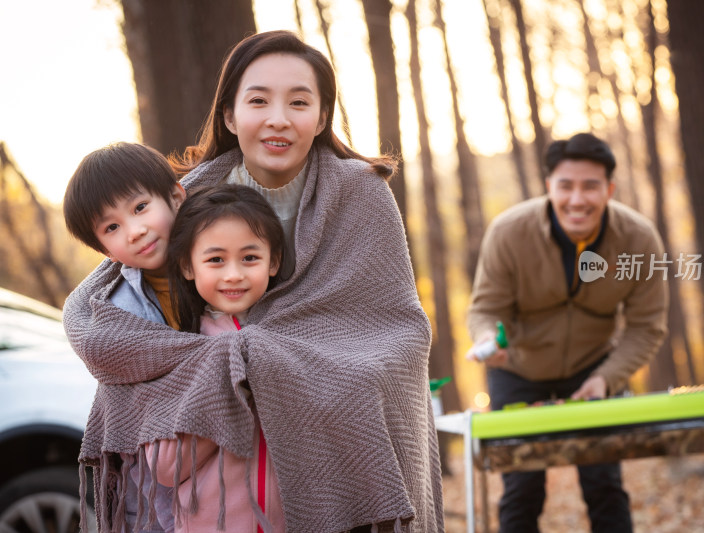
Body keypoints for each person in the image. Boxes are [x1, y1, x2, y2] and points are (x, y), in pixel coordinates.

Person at [63, 30, 443, 533]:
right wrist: (223, 363)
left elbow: (396, 328)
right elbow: (108, 290)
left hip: (320, 428)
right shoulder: (190, 197)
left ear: (322, 116)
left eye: (299, 101)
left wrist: (287, 361)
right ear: (229, 114)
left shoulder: (360, 194)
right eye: (259, 100)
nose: (278, 118)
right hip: (221, 485)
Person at [466, 132, 668, 532]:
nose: (578, 199)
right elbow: (486, 309)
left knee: (604, 485)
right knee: (521, 491)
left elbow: (646, 327)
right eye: (566, 186)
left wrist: (605, 379)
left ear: (609, 189)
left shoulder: (640, 239)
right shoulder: (508, 232)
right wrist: (488, 340)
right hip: (517, 370)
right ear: (549, 187)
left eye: (591, 186)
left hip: (593, 369)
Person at [146, 184, 285, 533]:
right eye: (215, 260)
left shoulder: (294, 339)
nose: (234, 274)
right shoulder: (182, 352)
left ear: (274, 262)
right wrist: (234, 391)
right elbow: (164, 467)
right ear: (188, 266)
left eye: (250, 258)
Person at [63, 141, 187, 533]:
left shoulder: (227, 264)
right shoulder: (116, 314)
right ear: (105, 249)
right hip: (160, 489)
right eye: (112, 227)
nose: (135, 231)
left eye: (140, 208)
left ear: (175, 197)